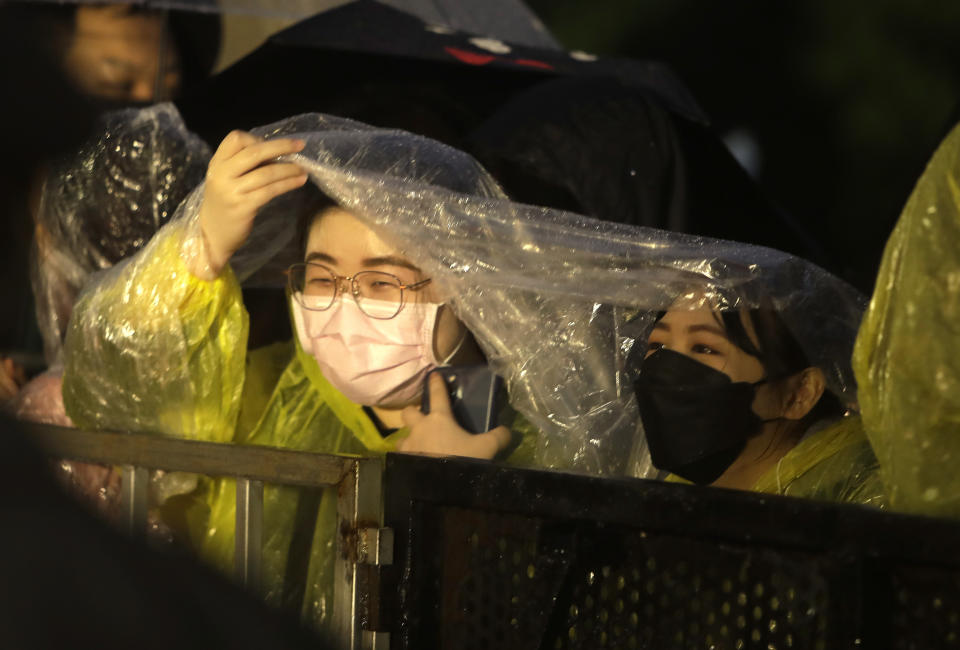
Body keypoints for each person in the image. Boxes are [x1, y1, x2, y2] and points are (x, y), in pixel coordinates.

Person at [61, 118, 536, 627]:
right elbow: (113, 386)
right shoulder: (259, 391)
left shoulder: (529, 439)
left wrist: (463, 505)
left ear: (471, 290)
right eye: (322, 276)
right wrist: (196, 255)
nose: (344, 303)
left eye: (380, 281)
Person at [631, 297, 884, 506]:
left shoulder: (860, 494)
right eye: (658, 345)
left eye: (704, 348)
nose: (666, 371)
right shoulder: (673, 494)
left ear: (800, 393)